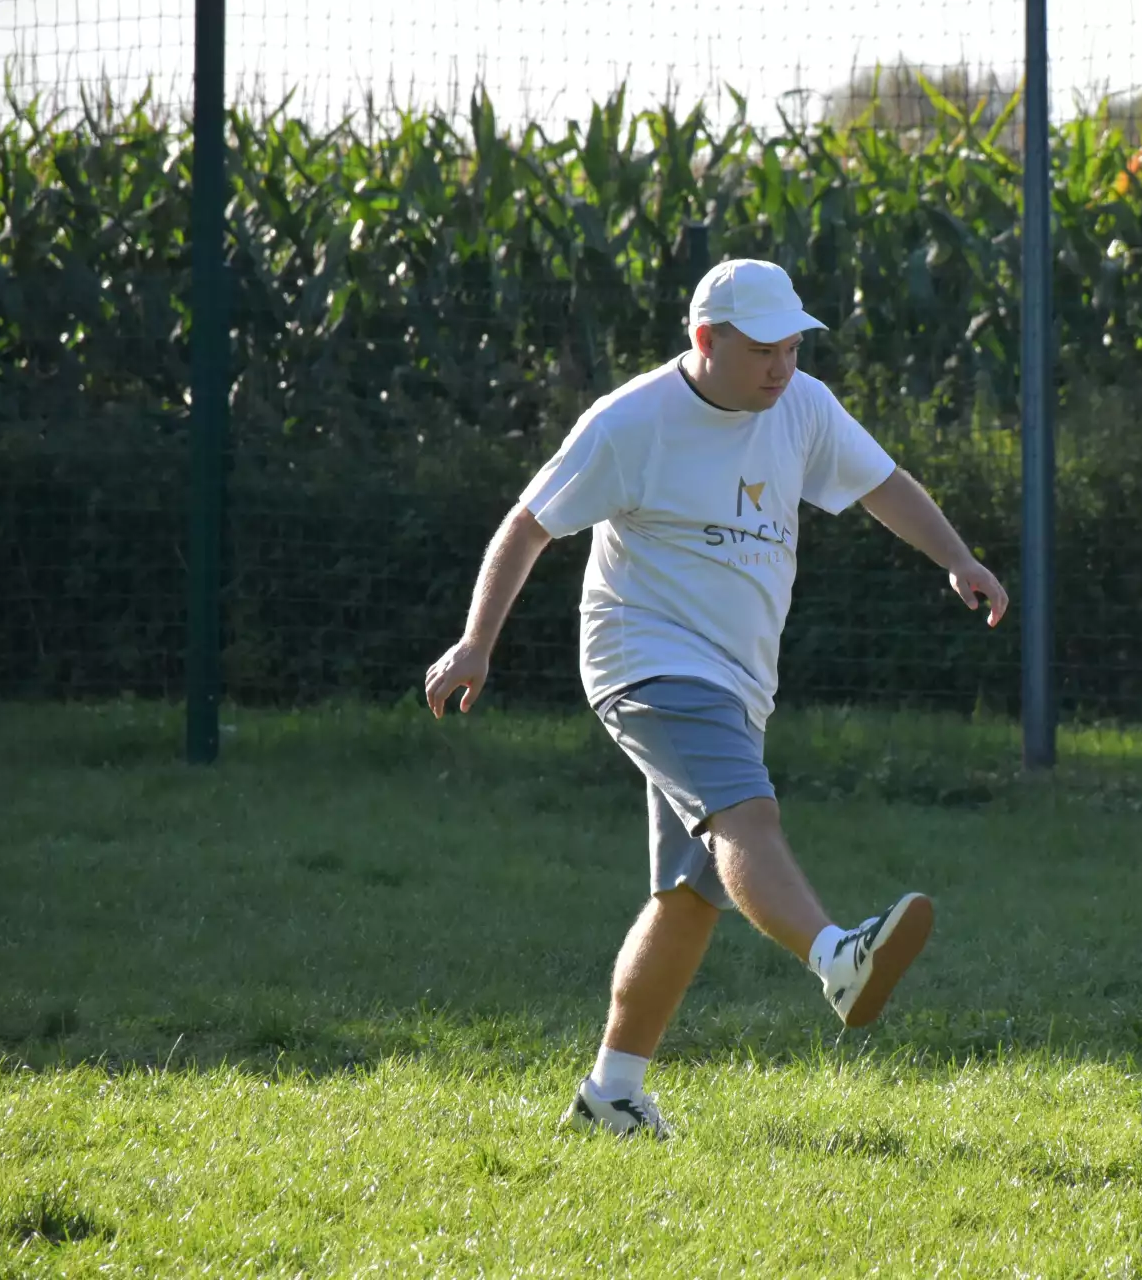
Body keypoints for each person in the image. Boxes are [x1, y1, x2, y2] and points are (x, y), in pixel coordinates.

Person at [424, 259, 1009, 1138]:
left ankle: (612, 1094)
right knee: (746, 814)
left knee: (692, 893)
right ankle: (837, 958)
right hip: (645, 661)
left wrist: (956, 557)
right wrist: (476, 642)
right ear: (706, 340)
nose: (783, 366)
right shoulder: (631, 421)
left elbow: (881, 482)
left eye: (794, 347)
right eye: (764, 350)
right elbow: (529, 523)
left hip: (738, 681)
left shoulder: (802, 405)